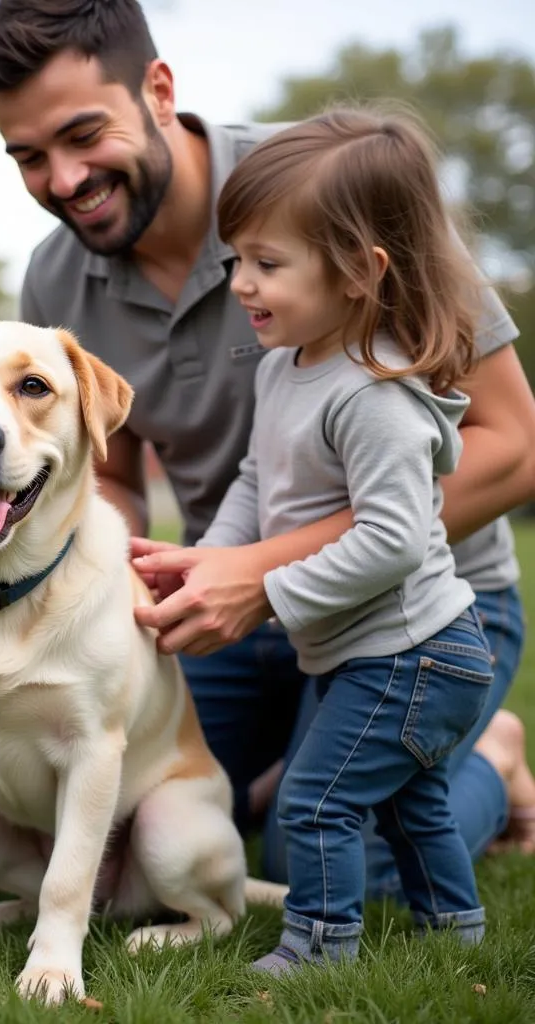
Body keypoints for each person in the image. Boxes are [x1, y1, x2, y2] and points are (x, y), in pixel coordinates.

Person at [0, 0, 535, 903]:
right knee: (147, 819)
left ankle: (491, 760)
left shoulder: (337, 186)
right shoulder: (54, 274)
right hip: (224, 604)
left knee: (340, 871)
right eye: (28, 156)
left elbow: (512, 447)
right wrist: (98, 580)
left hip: (414, 610)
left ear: (157, 89)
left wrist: (258, 572)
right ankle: (287, 776)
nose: (63, 179)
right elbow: (104, 472)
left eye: (81, 135)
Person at [201, 107, 491, 972]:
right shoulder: (283, 366)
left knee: (314, 802)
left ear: (361, 274)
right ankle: (456, 935)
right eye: (236, 261)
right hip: (380, 653)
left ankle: (320, 946)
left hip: (418, 652)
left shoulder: (373, 397)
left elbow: (398, 540)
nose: (241, 286)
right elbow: (257, 482)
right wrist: (212, 563)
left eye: (267, 264)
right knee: (412, 806)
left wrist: (272, 598)